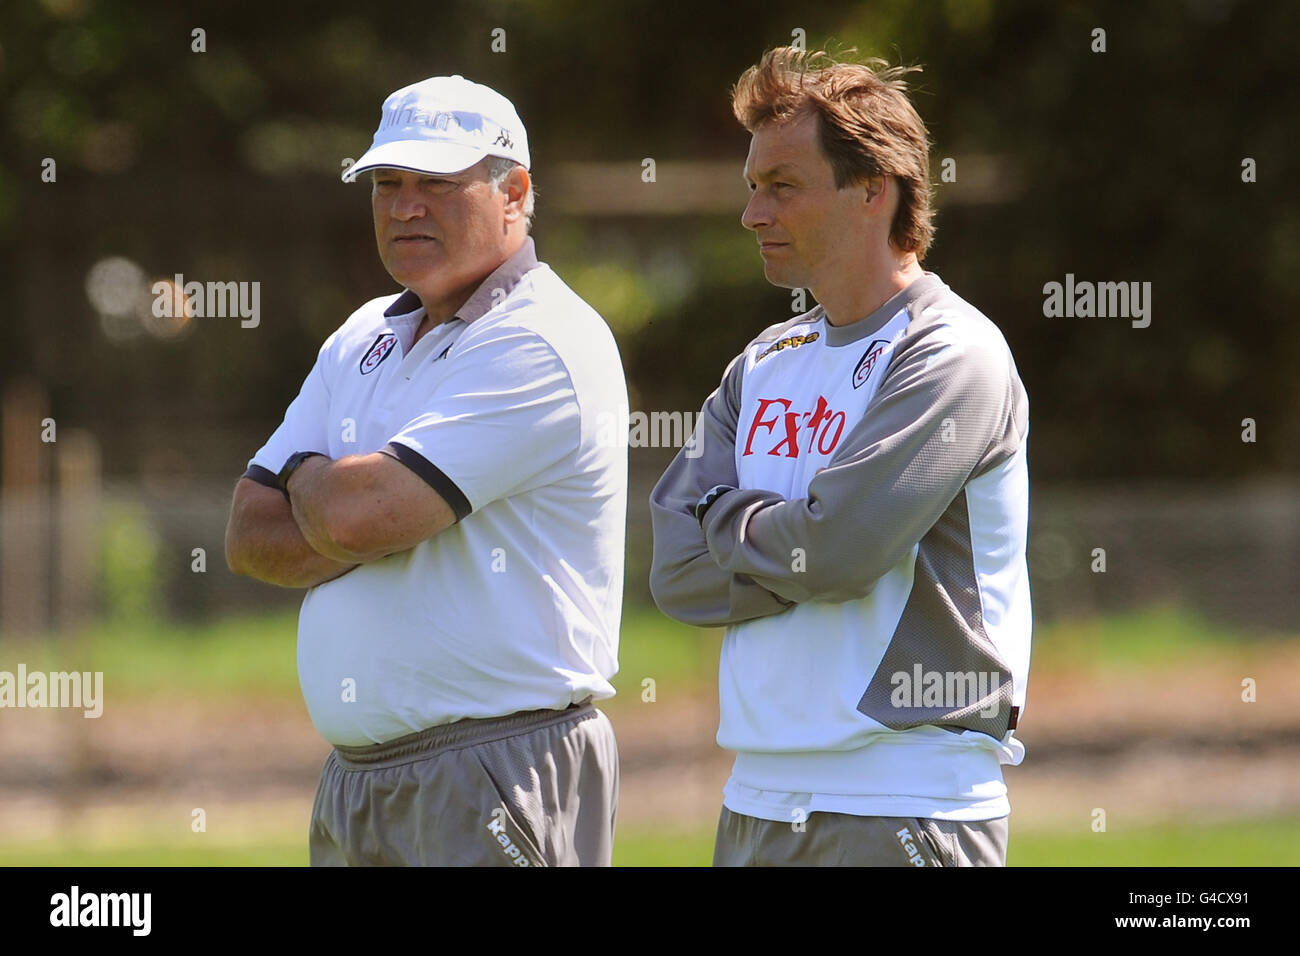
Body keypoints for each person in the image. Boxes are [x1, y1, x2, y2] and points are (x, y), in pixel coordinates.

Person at [224, 75, 628, 866]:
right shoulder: (362, 332)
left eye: (437, 184)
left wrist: (309, 478)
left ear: (514, 193)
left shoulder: (543, 338)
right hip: (355, 779)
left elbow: (355, 517)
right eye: (387, 185)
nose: (405, 206)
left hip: (495, 768)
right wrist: (350, 500)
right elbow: (247, 532)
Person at [649, 47, 1031, 867]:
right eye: (752, 186)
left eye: (781, 186)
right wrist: (793, 541)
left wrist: (744, 524)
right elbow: (674, 569)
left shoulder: (953, 352)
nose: (753, 213)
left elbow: (839, 551)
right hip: (753, 798)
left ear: (871, 189)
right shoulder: (763, 361)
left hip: (906, 801)